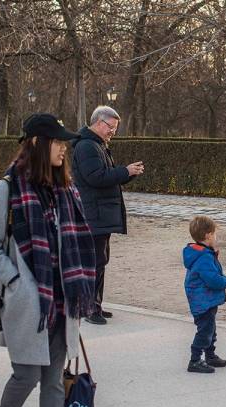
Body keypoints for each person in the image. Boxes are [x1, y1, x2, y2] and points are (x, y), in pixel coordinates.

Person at [0, 113, 96, 407]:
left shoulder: (67, 189)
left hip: (62, 301)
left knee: (54, 379)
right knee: (26, 376)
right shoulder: (7, 190)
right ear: (37, 144)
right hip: (29, 303)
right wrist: (15, 282)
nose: (65, 148)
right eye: (59, 142)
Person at [71, 105, 144, 325]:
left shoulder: (96, 145)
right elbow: (96, 177)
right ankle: (88, 308)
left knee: (99, 262)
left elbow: (104, 177)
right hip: (94, 214)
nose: (113, 131)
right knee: (93, 263)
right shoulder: (87, 146)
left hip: (99, 213)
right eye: (111, 127)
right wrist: (125, 171)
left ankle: (95, 306)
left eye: (114, 128)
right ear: (99, 123)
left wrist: (127, 174)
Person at [182, 216, 226, 373]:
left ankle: (210, 355)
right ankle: (195, 360)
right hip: (203, 300)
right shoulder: (203, 257)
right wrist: (225, 282)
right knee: (205, 330)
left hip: (204, 299)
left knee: (211, 328)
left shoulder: (202, 253)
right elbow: (212, 279)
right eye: (215, 234)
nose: (216, 237)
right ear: (208, 235)